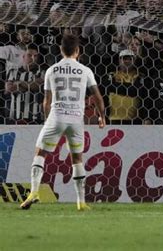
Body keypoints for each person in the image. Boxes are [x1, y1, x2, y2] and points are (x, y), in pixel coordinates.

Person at [20, 34, 106, 211]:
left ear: (60, 50)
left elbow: (46, 100)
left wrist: (47, 120)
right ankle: (81, 202)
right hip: (76, 119)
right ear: (78, 51)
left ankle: (34, 192)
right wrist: (101, 116)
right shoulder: (85, 70)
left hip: (57, 116)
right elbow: (97, 97)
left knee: (40, 153)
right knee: (77, 159)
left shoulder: (52, 70)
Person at [4, 45, 45, 124]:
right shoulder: (13, 71)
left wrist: (19, 83)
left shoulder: (42, 72)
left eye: (35, 56)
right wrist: (30, 85)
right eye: (29, 55)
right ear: (23, 56)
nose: (33, 58)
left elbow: (37, 86)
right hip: (15, 117)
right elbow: (8, 89)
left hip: (35, 117)